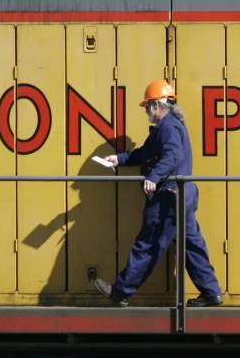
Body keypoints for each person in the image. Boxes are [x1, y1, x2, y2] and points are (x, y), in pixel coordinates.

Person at [94, 80, 224, 308]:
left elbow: (172, 155)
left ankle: (121, 292)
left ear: (156, 104)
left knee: (149, 242)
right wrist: (119, 159)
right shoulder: (169, 127)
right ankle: (211, 292)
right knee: (191, 245)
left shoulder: (167, 127)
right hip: (182, 194)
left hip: (168, 197)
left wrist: (154, 178)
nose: (146, 111)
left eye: (147, 106)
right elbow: (146, 153)